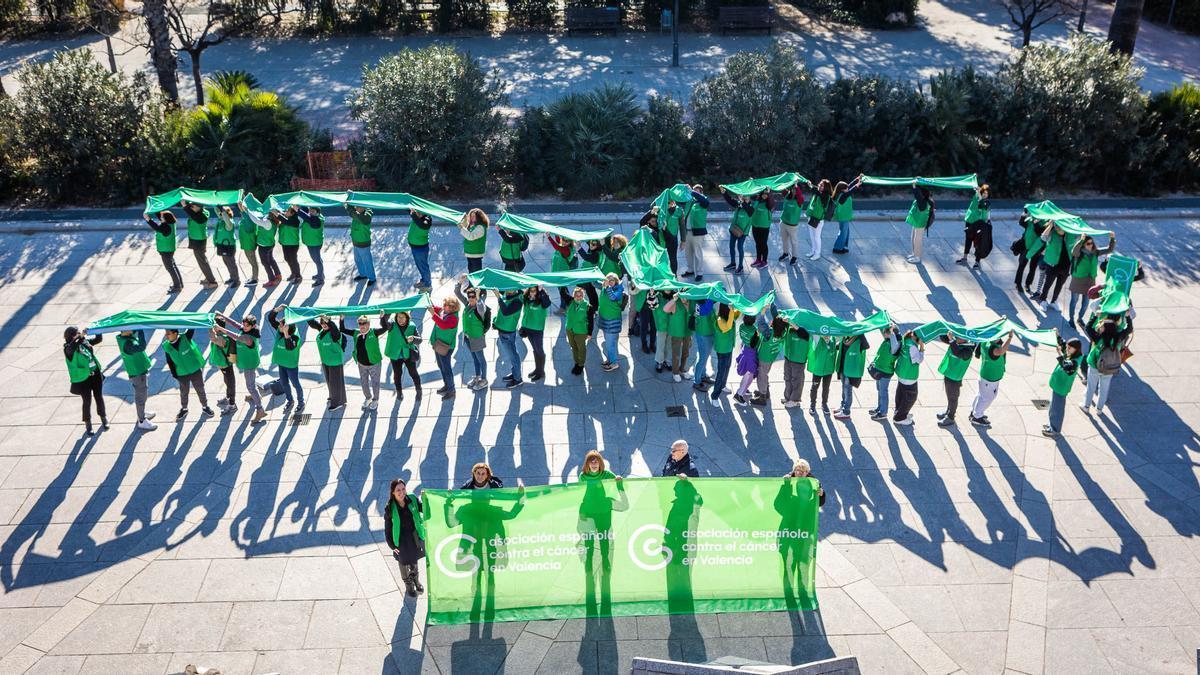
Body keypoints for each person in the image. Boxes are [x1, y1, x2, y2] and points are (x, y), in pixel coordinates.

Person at [215, 313, 267, 423]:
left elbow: (236, 336)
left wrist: (220, 328)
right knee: (251, 385)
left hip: (249, 364)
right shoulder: (247, 329)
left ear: (253, 326)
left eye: (247, 325)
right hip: (247, 361)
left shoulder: (249, 338)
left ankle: (260, 409)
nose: (244, 327)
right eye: (243, 324)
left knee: (250, 386)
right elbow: (235, 324)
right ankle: (255, 396)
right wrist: (221, 315)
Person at [1082, 313, 1132, 415]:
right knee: (1104, 389)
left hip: (1094, 365)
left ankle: (1086, 406)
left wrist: (1095, 316)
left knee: (1091, 386)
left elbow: (1087, 328)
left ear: (1105, 328)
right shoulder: (1118, 337)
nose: (1100, 327)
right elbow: (1129, 329)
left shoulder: (1098, 337)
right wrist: (1127, 317)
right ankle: (1099, 409)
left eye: (1102, 326)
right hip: (1110, 367)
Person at [383, 478, 425, 597]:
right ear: (393, 493)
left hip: (414, 536)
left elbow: (423, 508)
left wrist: (426, 498)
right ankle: (408, 585)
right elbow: (387, 528)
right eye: (398, 490)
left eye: (403, 489)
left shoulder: (412, 498)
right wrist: (391, 545)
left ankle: (416, 580)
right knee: (403, 562)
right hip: (400, 539)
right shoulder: (390, 507)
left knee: (414, 560)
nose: (401, 492)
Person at [162, 327, 214, 421]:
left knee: (200, 389)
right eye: (166, 333)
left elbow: (191, 327)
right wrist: (175, 374)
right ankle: (184, 409)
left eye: (168, 333)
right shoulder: (166, 346)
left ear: (175, 333)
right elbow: (169, 362)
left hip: (195, 370)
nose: (166, 336)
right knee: (184, 392)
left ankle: (205, 407)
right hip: (181, 374)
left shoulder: (185, 337)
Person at [64, 326, 107, 435]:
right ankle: (88, 424)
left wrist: (98, 331)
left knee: (99, 397)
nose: (80, 334)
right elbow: (72, 347)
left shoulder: (84, 342)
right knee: (87, 401)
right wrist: (81, 337)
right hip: (83, 378)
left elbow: (98, 340)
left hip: (95, 374)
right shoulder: (68, 348)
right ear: (72, 336)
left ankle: (103, 418)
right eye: (78, 333)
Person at [340, 314, 388, 410]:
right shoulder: (356, 333)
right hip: (361, 364)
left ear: (369, 324)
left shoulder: (374, 332)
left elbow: (385, 328)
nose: (362, 325)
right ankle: (368, 398)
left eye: (364, 323)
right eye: (360, 323)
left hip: (374, 364)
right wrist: (341, 319)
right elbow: (343, 330)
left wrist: (382, 317)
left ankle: (375, 400)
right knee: (364, 382)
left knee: (375, 383)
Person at [1068, 235, 1117, 326]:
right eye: (1088, 243)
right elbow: (1074, 252)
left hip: (1090, 281)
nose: (1090, 245)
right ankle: (1071, 319)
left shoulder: (1095, 252)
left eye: (1092, 243)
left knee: (1086, 303)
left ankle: (1080, 318)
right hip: (1078, 280)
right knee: (1074, 301)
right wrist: (1081, 241)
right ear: (1083, 244)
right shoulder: (1078, 253)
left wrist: (1112, 239)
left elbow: (1109, 249)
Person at [115, 329, 157, 431]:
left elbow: (132, 331)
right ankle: (142, 421)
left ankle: (141, 413)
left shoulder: (124, 336)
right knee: (141, 396)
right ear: (125, 330)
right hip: (137, 373)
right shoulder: (127, 344)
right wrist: (141, 331)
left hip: (138, 369)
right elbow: (142, 347)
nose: (132, 330)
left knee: (143, 393)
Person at [454, 278, 491, 392]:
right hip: (468, 337)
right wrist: (460, 282)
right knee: (475, 358)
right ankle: (477, 376)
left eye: (473, 297)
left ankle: (484, 380)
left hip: (477, 338)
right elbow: (457, 293)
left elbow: (481, 306)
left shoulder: (480, 307)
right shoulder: (468, 305)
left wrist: (479, 296)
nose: (470, 299)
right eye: (469, 296)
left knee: (481, 359)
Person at [969, 333, 1012, 429]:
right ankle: (977, 417)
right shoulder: (993, 349)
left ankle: (974, 412)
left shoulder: (986, 341)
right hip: (990, 378)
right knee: (988, 398)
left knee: (980, 395)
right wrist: (1010, 338)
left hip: (986, 375)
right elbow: (1001, 351)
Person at [306, 315, 348, 411]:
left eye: (325, 323)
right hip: (325, 361)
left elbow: (333, 327)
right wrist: (307, 314)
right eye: (322, 323)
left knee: (335, 383)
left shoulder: (334, 333)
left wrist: (328, 321)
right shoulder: (322, 330)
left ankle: (338, 403)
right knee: (330, 381)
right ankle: (333, 396)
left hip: (334, 362)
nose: (324, 325)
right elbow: (313, 323)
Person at [267, 306, 305, 411]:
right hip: (282, 363)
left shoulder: (295, 337)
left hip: (291, 365)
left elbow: (290, 347)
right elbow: (270, 319)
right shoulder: (280, 330)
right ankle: (290, 400)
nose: (279, 326)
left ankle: (301, 402)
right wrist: (277, 309)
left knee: (295, 384)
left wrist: (286, 333)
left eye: (281, 326)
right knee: (284, 383)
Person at [1044, 337, 1083, 437]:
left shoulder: (1075, 361)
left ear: (1076, 349)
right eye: (1067, 347)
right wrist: (1057, 336)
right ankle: (1051, 425)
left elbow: (1067, 367)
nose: (1067, 349)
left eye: (1069, 348)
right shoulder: (1071, 353)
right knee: (1053, 407)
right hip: (1058, 385)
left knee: (1057, 409)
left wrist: (1060, 354)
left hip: (1061, 387)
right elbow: (1063, 343)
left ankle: (1055, 429)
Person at [240, 198, 282, 288]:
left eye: (269, 212)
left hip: (264, 246)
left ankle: (272, 280)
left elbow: (256, 221)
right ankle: (278, 275)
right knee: (271, 260)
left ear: (271, 215)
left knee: (265, 263)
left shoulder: (267, 223)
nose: (267, 213)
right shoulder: (274, 222)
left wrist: (248, 211)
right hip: (270, 244)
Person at [935, 335, 974, 428]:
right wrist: (948, 330)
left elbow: (957, 352)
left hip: (954, 378)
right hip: (949, 374)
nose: (955, 338)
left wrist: (952, 340)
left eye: (957, 337)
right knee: (950, 396)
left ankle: (951, 417)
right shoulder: (957, 343)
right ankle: (948, 412)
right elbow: (943, 338)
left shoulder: (968, 350)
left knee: (953, 398)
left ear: (964, 338)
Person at [383, 311, 422, 400]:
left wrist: (413, 338)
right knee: (397, 375)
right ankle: (399, 392)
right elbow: (384, 323)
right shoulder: (392, 324)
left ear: (407, 317)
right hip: (395, 355)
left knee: (413, 373)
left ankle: (419, 391)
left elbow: (419, 340)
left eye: (402, 317)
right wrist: (385, 314)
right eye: (398, 317)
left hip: (408, 354)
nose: (400, 319)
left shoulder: (412, 325)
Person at [181, 201, 219, 289]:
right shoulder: (198, 212)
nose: (191, 208)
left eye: (192, 206)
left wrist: (185, 207)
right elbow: (192, 214)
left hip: (199, 240)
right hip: (196, 239)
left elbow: (196, 217)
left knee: (202, 261)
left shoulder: (203, 216)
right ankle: (208, 277)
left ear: (198, 207)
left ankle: (212, 282)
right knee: (202, 260)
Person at [833, 332, 870, 420]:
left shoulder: (859, 340)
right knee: (844, 389)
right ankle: (843, 406)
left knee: (848, 390)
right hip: (842, 368)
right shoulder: (845, 338)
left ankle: (846, 411)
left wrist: (861, 333)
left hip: (851, 371)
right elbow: (838, 346)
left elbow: (867, 346)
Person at [430, 297, 461, 399]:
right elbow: (435, 308)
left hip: (446, 347)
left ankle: (451, 390)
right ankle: (447, 385)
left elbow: (443, 325)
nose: (443, 307)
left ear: (452, 308)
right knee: (441, 365)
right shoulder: (445, 311)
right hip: (439, 344)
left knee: (446, 368)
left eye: (445, 305)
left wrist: (433, 315)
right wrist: (428, 300)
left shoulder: (453, 318)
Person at [1034, 223, 1070, 311]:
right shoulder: (1052, 234)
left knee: (1059, 285)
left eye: (1060, 226)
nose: (1058, 228)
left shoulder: (1070, 235)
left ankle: (1054, 301)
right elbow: (1043, 238)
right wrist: (1050, 226)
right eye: (1056, 226)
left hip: (1066, 266)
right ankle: (1043, 301)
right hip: (1053, 265)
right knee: (1047, 284)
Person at [145, 211, 184, 293]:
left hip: (166, 250)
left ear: (166, 219)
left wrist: (148, 219)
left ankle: (177, 287)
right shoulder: (170, 223)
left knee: (170, 268)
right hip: (169, 249)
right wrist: (155, 209)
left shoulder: (165, 227)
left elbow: (157, 227)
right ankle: (180, 284)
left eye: (162, 218)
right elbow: (160, 217)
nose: (160, 218)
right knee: (173, 266)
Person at [868, 326, 901, 420]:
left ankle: (883, 413)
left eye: (885, 332)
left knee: (883, 391)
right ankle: (880, 408)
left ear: (890, 334)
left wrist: (892, 333)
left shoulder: (895, 344)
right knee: (879, 390)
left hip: (885, 371)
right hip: (880, 369)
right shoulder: (888, 341)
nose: (883, 333)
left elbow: (894, 347)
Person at [892, 331, 924, 426]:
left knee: (901, 394)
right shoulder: (913, 347)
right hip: (909, 376)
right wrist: (922, 348)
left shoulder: (905, 339)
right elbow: (918, 360)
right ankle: (899, 418)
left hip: (902, 372)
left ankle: (899, 412)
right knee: (910, 398)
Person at [597, 274, 627, 372]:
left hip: (612, 322)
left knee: (610, 344)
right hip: (605, 321)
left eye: (612, 280)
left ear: (616, 281)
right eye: (608, 280)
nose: (609, 282)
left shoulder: (618, 290)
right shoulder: (605, 287)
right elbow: (594, 282)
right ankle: (610, 360)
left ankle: (614, 363)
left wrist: (607, 287)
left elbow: (613, 298)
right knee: (609, 342)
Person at [710, 303, 739, 407]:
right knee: (721, 372)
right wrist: (732, 311)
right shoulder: (719, 320)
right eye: (729, 309)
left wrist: (737, 306)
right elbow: (727, 327)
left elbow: (737, 314)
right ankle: (714, 396)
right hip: (722, 350)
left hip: (728, 348)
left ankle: (722, 385)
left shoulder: (729, 315)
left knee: (727, 367)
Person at [957, 184, 992, 270]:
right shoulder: (976, 197)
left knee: (978, 243)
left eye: (986, 193)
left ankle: (977, 261)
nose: (985, 194)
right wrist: (977, 190)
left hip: (980, 224)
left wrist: (979, 193)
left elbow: (982, 203)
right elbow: (977, 195)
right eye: (983, 193)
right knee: (968, 240)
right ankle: (964, 258)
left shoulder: (987, 203)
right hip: (970, 222)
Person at [494, 289, 524, 388]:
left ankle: (518, 379)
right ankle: (515, 374)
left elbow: (506, 312)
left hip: (507, 334)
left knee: (513, 356)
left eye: (509, 288)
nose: (506, 290)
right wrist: (496, 323)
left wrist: (498, 297)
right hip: (504, 331)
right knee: (512, 355)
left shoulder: (517, 301)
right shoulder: (509, 296)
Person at [752, 316, 785, 406]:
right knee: (765, 374)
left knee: (762, 376)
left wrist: (763, 312)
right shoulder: (783, 332)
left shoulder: (768, 333)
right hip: (771, 357)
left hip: (764, 357)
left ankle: (762, 397)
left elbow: (761, 323)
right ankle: (766, 392)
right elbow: (778, 320)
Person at [208, 317, 238, 415]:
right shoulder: (220, 335)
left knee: (230, 383)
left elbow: (213, 338)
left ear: (218, 327)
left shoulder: (222, 338)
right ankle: (228, 397)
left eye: (214, 325)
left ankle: (232, 404)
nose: (212, 327)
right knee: (227, 381)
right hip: (222, 365)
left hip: (226, 365)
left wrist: (210, 327)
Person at [521, 285, 552, 381]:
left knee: (539, 351)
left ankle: (541, 372)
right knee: (535, 350)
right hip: (528, 328)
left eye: (534, 291)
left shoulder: (542, 300)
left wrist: (541, 291)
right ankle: (537, 369)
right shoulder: (526, 299)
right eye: (531, 291)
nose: (532, 293)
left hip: (537, 330)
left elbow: (547, 304)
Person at [720, 188, 753, 275]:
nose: (745, 198)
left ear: (750, 198)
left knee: (740, 248)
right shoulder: (739, 204)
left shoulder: (751, 207)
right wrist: (724, 193)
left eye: (746, 197)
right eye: (744, 197)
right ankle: (733, 263)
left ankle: (741, 266)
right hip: (734, 230)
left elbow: (748, 210)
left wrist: (742, 201)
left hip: (743, 232)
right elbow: (730, 200)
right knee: (731, 246)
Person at [680, 186, 709, 280]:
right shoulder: (689, 201)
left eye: (697, 191)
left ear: (701, 192)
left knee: (697, 253)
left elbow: (705, 202)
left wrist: (692, 191)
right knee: (688, 253)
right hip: (687, 232)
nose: (694, 192)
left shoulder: (704, 200)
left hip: (698, 232)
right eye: (694, 190)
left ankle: (699, 272)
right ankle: (690, 270)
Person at [1013, 212, 1045, 293]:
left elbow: (1040, 232)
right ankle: (1018, 284)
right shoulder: (1030, 219)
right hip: (1025, 247)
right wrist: (1024, 214)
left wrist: (1036, 223)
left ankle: (1028, 284)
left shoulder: (1045, 223)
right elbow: (1021, 223)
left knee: (1032, 268)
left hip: (1036, 249)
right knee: (1021, 266)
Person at [565, 286, 593, 376]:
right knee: (573, 347)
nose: (578, 297)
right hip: (570, 329)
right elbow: (563, 293)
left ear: (583, 296)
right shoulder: (570, 302)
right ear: (573, 296)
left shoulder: (588, 306)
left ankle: (581, 365)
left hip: (581, 331)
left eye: (580, 295)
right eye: (576, 295)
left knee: (581, 349)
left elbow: (591, 321)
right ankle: (576, 363)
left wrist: (589, 333)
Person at [781, 319, 809, 408]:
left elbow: (802, 333)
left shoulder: (805, 332)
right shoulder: (790, 329)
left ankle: (794, 400)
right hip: (788, 357)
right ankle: (788, 397)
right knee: (787, 378)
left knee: (797, 381)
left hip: (798, 360)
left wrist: (791, 323)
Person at [733, 314, 760, 405]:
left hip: (745, 350)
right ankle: (739, 394)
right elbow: (755, 343)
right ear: (753, 321)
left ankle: (744, 389)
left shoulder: (741, 326)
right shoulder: (754, 330)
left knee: (746, 373)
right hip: (751, 355)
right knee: (749, 375)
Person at [295, 206, 326, 286]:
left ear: (317, 212)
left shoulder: (317, 220)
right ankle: (320, 274)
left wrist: (298, 210)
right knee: (318, 260)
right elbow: (306, 215)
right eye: (310, 210)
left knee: (317, 261)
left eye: (313, 211)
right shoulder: (313, 217)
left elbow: (306, 217)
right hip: (312, 242)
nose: (310, 212)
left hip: (314, 244)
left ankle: (320, 280)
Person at [807, 334, 837, 414]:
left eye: (828, 334)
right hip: (818, 370)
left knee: (826, 388)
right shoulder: (817, 339)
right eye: (824, 334)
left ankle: (824, 404)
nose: (826, 335)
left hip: (828, 370)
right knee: (814, 387)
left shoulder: (833, 339)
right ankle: (812, 404)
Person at [691, 299, 717, 392]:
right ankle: (697, 382)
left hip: (707, 332)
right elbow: (706, 310)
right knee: (702, 358)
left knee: (705, 356)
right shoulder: (702, 305)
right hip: (703, 334)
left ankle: (703, 375)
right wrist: (712, 297)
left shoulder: (702, 302)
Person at [905, 184, 934, 265]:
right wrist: (917, 182)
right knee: (913, 236)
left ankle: (917, 257)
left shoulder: (923, 202)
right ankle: (914, 254)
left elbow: (917, 194)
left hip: (920, 223)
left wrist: (914, 186)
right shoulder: (923, 199)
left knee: (917, 239)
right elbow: (918, 193)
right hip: (917, 221)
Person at [347, 204, 376, 285]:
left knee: (367, 261)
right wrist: (349, 200)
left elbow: (353, 214)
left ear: (363, 207)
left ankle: (372, 278)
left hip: (363, 243)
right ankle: (363, 275)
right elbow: (351, 212)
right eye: (355, 206)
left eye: (358, 206)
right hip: (356, 242)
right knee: (358, 260)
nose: (356, 208)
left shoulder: (366, 216)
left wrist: (349, 206)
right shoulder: (357, 213)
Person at [831, 177, 861, 254]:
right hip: (843, 217)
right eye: (846, 188)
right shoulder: (843, 196)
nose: (847, 189)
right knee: (843, 232)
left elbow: (849, 186)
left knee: (845, 232)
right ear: (842, 189)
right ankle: (837, 248)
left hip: (843, 216)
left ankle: (842, 246)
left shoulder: (841, 193)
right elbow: (850, 191)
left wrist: (857, 179)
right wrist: (857, 185)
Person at [666, 293, 692, 381]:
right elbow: (665, 309)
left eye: (686, 296)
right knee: (676, 353)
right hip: (677, 333)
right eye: (683, 296)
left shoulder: (691, 303)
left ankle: (682, 370)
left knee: (686, 352)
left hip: (687, 332)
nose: (684, 298)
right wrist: (674, 299)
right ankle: (675, 372)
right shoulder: (676, 304)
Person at [549, 235, 578, 311]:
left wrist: (549, 237)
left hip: (561, 274)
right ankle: (564, 306)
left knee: (563, 292)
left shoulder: (566, 250)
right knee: (563, 290)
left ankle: (568, 306)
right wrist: (556, 233)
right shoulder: (563, 246)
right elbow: (559, 242)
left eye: (567, 241)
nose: (564, 242)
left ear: (570, 242)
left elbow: (556, 247)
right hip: (558, 272)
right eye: (563, 240)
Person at [214, 206, 241, 287]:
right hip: (222, 246)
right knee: (227, 263)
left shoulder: (229, 224)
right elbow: (217, 211)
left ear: (226, 214)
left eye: (222, 214)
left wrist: (223, 211)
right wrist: (216, 204)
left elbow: (226, 218)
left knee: (231, 264)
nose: (220, 215)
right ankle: (232, 277)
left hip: (229, 247)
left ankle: (237, 280)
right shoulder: (221, 221)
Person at [805, 179, 832, 261]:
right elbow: (816, 192)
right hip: (811, 216)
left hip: (818, 220)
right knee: (812, 236)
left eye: (822, 185)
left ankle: (817, 254)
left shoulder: (826, 196)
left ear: (826, 188)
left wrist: (810, 186)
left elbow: (817, 192)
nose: (819, 186)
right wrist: (811, 186)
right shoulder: (819, 193)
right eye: (819, 184)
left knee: (817, 237)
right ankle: (813, 251)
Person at [777, 183, 804, 265]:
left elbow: (799, 195)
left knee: (794, 242)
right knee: (784, 240)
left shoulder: (800, 199)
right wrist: (786, 180)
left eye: (795, 189)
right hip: (783, 222)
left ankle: (794, 257)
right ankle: (785, 254)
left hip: (792, 226)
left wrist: (796, 185)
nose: (794, 191)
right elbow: (782, 188)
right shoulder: (787, 196)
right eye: (792, 189)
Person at [407, 209, 433, 291]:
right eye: (416, 211)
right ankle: (424, 281)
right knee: (420, 266)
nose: (417, 213)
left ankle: (428, 285)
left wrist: (414, 215)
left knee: (423, 267)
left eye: (419, 212)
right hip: (415, 247)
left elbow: (422, 225)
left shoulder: (427, 220)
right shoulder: (417, 217)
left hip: (420, 248)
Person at [749, 189, 774, 268]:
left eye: (766, 194)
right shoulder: (758, 201)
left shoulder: (769, 203)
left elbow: (771, 202)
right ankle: (758, 259)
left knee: (763, 244)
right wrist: (751, 184)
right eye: (763, 193)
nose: (765, 195)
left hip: (764, 227)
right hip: (755, 225)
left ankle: (765, 261)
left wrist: (769, 191)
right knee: (757, 244)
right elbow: (753, 208)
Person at [235, 204, 259, 286]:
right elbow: (244, 214)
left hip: (249, 245)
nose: (242, 212)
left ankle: (255, 279)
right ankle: (253, 277)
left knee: (253, 263)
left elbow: (245, 213)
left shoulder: (250, 220)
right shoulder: (245, 220)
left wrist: (242, 207)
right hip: (246, 245)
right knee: (252, 262)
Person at [458, 208, 489, 273]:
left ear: (479, 217)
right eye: (471, 216)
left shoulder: (480, 227)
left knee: (475, 274)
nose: (472, 218)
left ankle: (473, 283)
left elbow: (470, 236)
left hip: (475, 254)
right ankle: (471, 283)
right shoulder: (474, 225)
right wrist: (463, 220)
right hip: (471, 253)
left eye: (474, 216)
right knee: (471, 272)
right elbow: (466, 228)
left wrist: (461, 228)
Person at [658, 200, 684, 275]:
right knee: (660, 258)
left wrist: (683, 240)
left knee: (673, 258)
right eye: (668, 202)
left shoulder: (679, 210)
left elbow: (682, 226)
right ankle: (661, 275)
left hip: (672, 238)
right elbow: (653, 204)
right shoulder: (661, 208)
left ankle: (674, 275)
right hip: (662, 237)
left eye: (671, 202)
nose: (669, 204)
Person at [278, 206, 303, 283]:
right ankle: (293, 273)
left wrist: (278, 214)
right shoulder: (284, 220)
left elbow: (286, 221)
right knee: (287, 258)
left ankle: (298, 276)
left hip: (293, 244)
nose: (285, 212)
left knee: (293, 259)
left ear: (292, 213)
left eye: (287, 211)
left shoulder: (295, 221)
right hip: (285, 243)